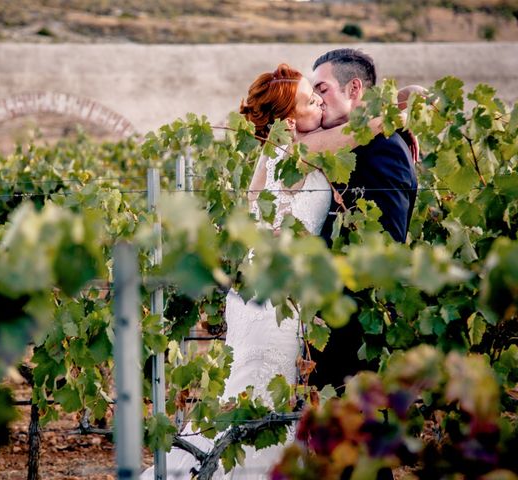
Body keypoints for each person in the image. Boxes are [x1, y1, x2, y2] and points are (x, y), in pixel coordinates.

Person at [141, 63, 390, 479]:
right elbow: (370, 127)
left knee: (251, 390)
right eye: (312, 100)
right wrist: (412, 102)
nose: (320, 104)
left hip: (256, 297)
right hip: (277, 301)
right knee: (261, 399)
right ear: (291, 120)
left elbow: (251, 213)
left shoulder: (270, 154)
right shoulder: (305, 148)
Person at [308, 49, 419, 480]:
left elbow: (385, 242)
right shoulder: (350, 144)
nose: (317, 101)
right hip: (335, 314)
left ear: (355, 89)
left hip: (354, 318)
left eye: (323, 89)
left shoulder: (385, 148)